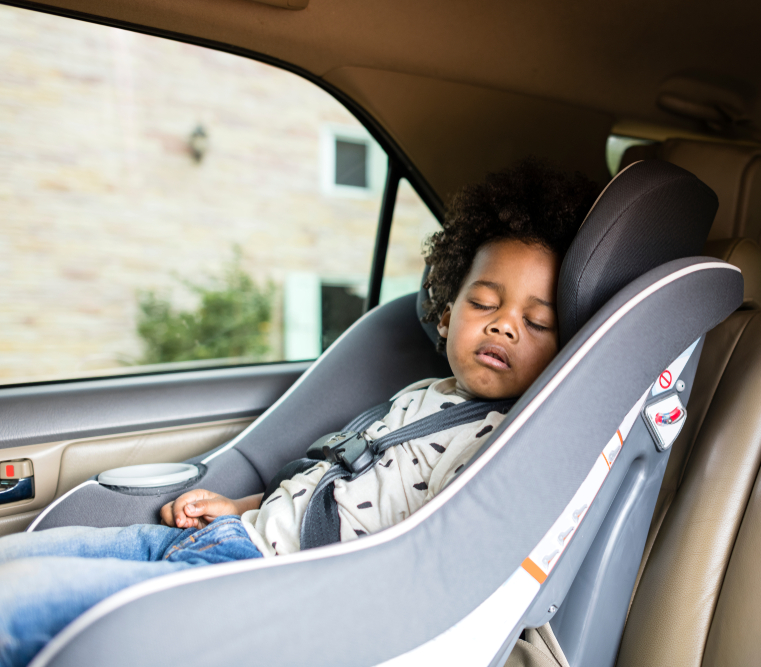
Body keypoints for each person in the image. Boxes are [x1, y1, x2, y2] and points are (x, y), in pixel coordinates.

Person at [0, 158, 598, 667]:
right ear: (444, 316)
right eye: (485, 303)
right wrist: (238, 506)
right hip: (226, 539)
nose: (503, 324)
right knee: (17, 559)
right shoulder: (424, 393)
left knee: (21, 606)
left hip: (264, 587)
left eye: (537, 321)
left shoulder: (508, 442)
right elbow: (337, 483)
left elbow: (425, 559)